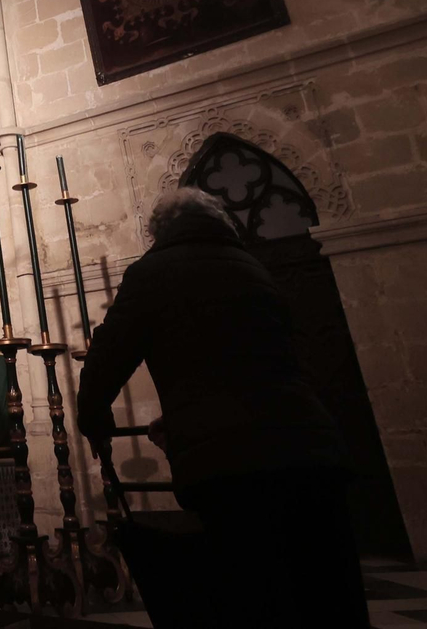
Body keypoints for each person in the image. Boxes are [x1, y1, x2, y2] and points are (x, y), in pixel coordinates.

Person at [76, 187, 368, 628]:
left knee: (254, 596)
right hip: (309, 447)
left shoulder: (153, 272)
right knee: (325, 594)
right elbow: (270, 362)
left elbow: (107, 357)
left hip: (233, 462)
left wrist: (95, 420)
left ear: (158, 231)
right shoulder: (253, 267)